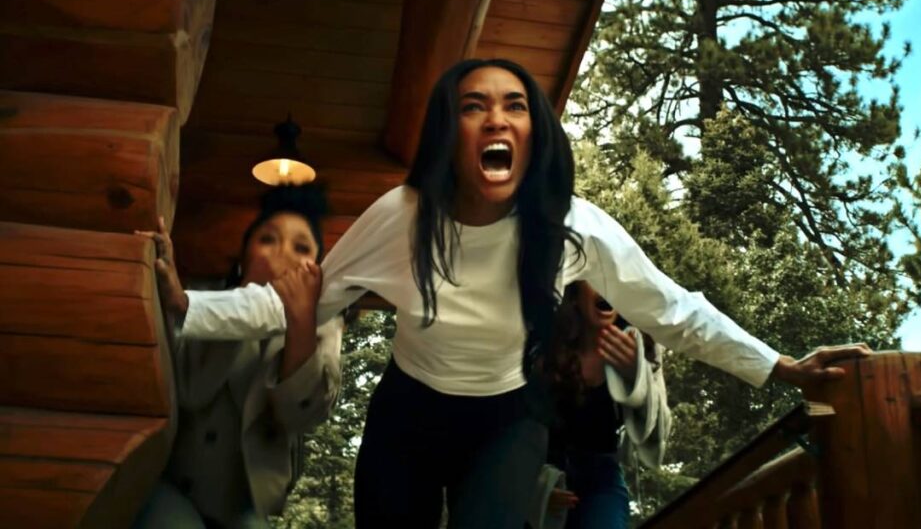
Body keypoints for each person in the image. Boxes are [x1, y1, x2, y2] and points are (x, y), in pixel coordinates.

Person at [157, 59, 870, 528]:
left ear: (534, 136)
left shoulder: (575, 229)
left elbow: (671, 309)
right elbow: (298, 302)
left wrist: (781, 366)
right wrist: (188, 307)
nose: (496, 119)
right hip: (408, 416)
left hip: (506, 420)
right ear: (451, 134)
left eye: (515, 106)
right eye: (474, 106)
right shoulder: (402, 217)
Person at [133, 186, 343, 529]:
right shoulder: (201, 299)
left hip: (243, 508)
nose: (282, 254)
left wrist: (300, 323)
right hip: (172, 486)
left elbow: (299, 414)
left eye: (301, 247)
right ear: (244, 256)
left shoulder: (321, 326)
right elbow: (190, 390)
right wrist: (247, 302)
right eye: (268, 240)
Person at [530, 281, 670, 529]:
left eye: (613, 280)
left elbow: (658, 434)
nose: (606, 286)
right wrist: (537, 488)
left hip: (602, 481)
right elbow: (515, 425)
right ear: (575, 296)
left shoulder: (640, 345)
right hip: (542, 473)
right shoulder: (546, 346)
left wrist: (636, 376)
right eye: (596, 279)